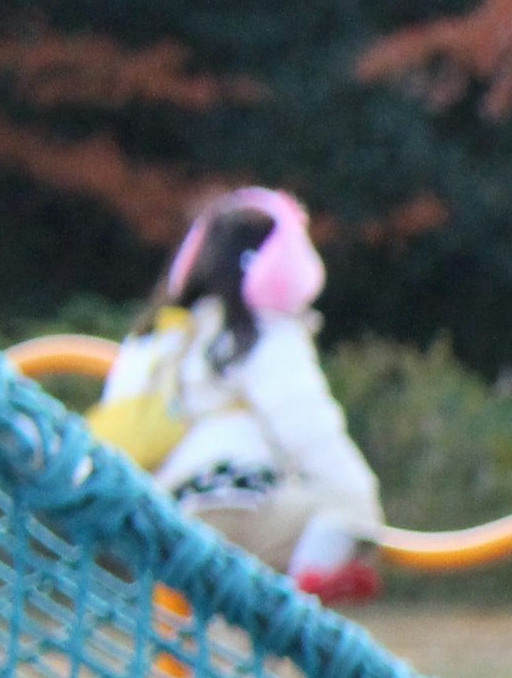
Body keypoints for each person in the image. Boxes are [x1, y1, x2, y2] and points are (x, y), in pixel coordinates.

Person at [94, 187, 384, 604]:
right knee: (352, 505)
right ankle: (301, 603)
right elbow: (310, 432)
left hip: (159, 520)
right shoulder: (264, 335)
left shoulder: (153, 338)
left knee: (187, 631)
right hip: (236, 507)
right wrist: (358, 497)